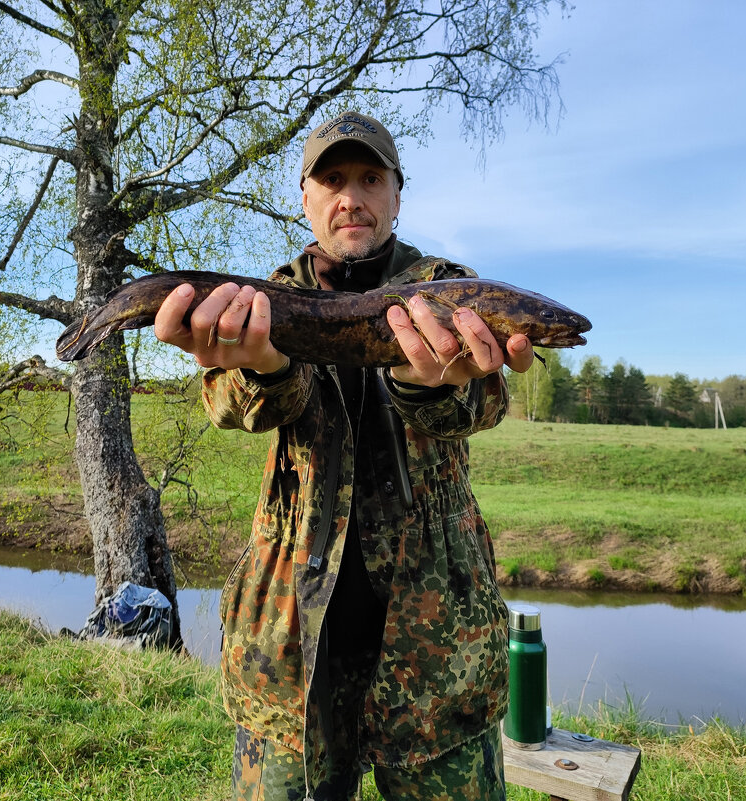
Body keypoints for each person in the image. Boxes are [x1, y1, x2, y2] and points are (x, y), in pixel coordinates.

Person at [154, 110, 534, 801]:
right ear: (306, 197)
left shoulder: (448, 286)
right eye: (332, 180)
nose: (350, 196)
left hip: (436, 641)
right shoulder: (263, 299)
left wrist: (433, 388)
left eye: (369, 178)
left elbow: (486, 402)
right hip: (290, 641)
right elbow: (227, 404)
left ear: (397, 194)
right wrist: (262, 369)